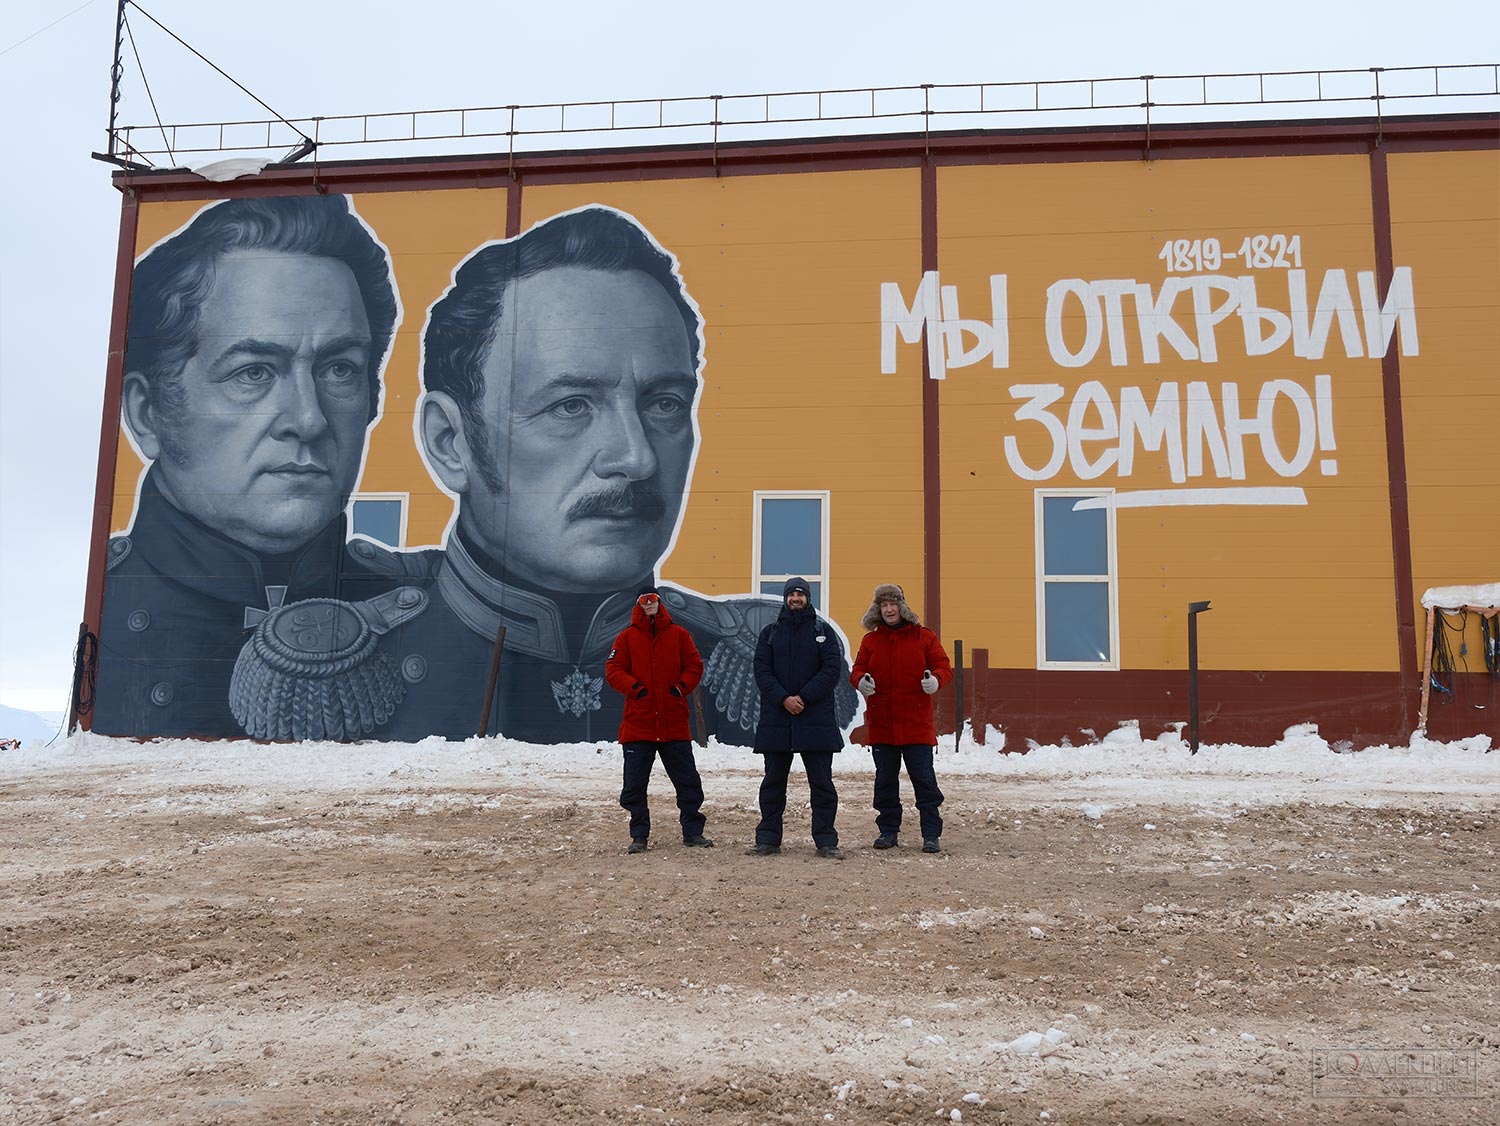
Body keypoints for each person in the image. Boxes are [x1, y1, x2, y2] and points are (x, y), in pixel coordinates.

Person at [290, 205, 858, 744]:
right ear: (450, 442)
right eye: (571, 406)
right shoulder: (330, 670)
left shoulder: (746, 661)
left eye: (663, 403)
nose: (637, 458)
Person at [93, 194, 411, 738]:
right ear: (149, 413)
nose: (309, 419)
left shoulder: (426, 610)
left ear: (372, 399)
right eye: (254, 372)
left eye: (339, 369)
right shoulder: (107, 603)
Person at [604, 586, 714, 853]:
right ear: (638, 605)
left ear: (660, 603)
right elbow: (613, 669)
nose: (649, 603)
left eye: (653, 599)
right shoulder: (626, 637)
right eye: (644, 600)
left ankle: (693, 832)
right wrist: (636, 689)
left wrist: (679, 688)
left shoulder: (679, 635)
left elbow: (694, 665)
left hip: (673, 723)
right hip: (638, 724)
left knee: (688, 782)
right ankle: (639, 835)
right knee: (634, 785)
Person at [746, 577, 847, 859]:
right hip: (777, 720)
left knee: (822, 785)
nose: (796, 599)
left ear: (808, 599)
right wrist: (783, 699)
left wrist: (803, 697)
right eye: (791, 594)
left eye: (801, 595)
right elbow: (762, 671)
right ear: (785, 598)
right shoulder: (770, 634)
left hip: (816, 720)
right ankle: (768, 839)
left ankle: (826, 841)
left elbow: (831, 671)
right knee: (772, 785)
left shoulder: (823, 632)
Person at [850, 583, 954, 853]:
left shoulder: (924, 637)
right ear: (877, 610)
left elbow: (943, 666)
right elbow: (857, 669)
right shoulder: (870, 641)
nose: (888, 610)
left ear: (902, 606)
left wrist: (936, 681)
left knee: (924, 781)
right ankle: (888, 831)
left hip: (916, 726)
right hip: (882, 725)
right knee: (885, 781)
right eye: (883, 605)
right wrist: (861, 681)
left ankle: (930, 834)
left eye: (892, 604)